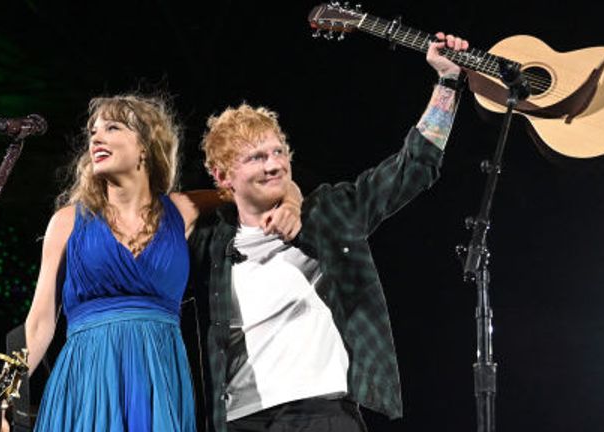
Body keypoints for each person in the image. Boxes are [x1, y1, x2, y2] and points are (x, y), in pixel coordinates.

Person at [187, 32, 469, 432]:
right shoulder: (210, 245)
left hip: (322, 412)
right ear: (222, 176)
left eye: (278, 152)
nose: (274, 165)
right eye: (256, 157)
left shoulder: (328, 212)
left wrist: (448, 83)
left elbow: (412, 167)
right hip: (240, 419)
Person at [0, 94, 301, 431]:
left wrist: (292, 203)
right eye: (93, 132)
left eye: (112, 127)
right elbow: (37, 325)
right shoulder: (67, 222)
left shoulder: (182, 210)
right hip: (87, 377)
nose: (97, 138)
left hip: (157, 379)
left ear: (145, 146)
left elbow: (265, 185)